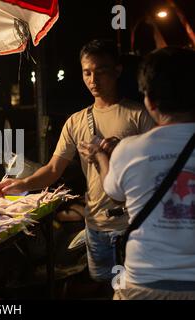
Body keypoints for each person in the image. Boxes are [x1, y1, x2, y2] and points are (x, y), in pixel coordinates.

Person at [0, 39, 155, 285]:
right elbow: (52, 170)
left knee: (135, 289)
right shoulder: (76, 122)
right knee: (103, 286)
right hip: (96, 224)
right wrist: (19, 184)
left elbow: (155, 169)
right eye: (87, 72)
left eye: (101, 71)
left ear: (117, 70)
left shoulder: (139, 115)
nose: (93, 80)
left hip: (134, 225)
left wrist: (121, 151)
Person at [81, 47, 195, 299]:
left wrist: (100, 156)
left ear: (150, 101)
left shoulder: (128, 150)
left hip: (143, 286)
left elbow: (115, 193)